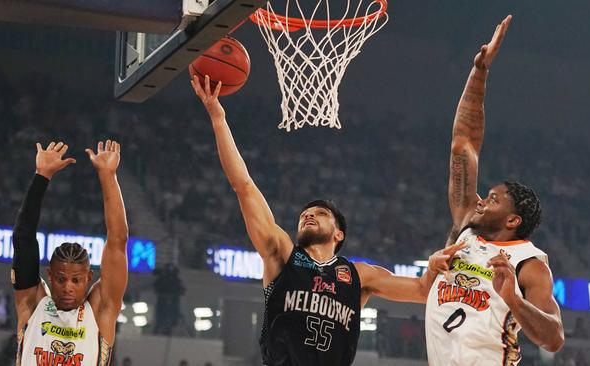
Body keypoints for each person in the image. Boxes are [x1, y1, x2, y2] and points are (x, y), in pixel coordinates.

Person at [191, 75, 463, 366]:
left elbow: (423, 291)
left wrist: (434, 268)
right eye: (304, 214)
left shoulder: (360, 276)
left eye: (320, 214)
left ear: (338, 234)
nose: (308, 215)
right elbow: (243, 186)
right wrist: (219, 119)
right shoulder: (282, 255)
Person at [424, 15, 564, 365]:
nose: (484, 199)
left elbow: (554, 339)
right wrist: (480, 71)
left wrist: (515, 300)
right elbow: (464, 144)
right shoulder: (466, 224)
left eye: (495, 198)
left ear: (514, 219)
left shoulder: (530, 265)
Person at [12, 140, 128, 365]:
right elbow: (22, 238)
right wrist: (41, 176)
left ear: (88, 278)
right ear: (50, 275)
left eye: (76, 280)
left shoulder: (99, 310)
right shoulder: (32, 304)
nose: (68, 287)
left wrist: (108, 176)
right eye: (61, 279)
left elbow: (118, 241)